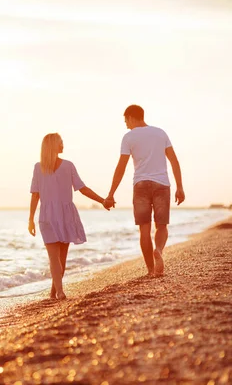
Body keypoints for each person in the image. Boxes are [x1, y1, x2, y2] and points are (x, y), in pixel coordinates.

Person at [104, 104, 185, 276]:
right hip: (162, 184)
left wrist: (111, 193)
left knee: (144, 229)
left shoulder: (128, 137)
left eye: (126, 120)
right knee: (161, 225)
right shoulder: (160, 133)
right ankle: (159, 251)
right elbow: (174, 161)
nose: (125, 124)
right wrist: (180, 186)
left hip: (140, 185)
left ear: (132, 117)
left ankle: (150, 270)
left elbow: (121, 167)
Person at [28, 133, 110, 300]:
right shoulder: (39, 167)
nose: (63, 145)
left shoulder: (65, 166)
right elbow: (35, 195)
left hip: (60, 215)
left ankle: (54, 292)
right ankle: (59, 292)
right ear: (53, 146)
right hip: (52, 216)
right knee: (56, 258)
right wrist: (30, 219)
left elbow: (82, 188)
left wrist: (102, 200)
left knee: (59, 258)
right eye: (60, 142)